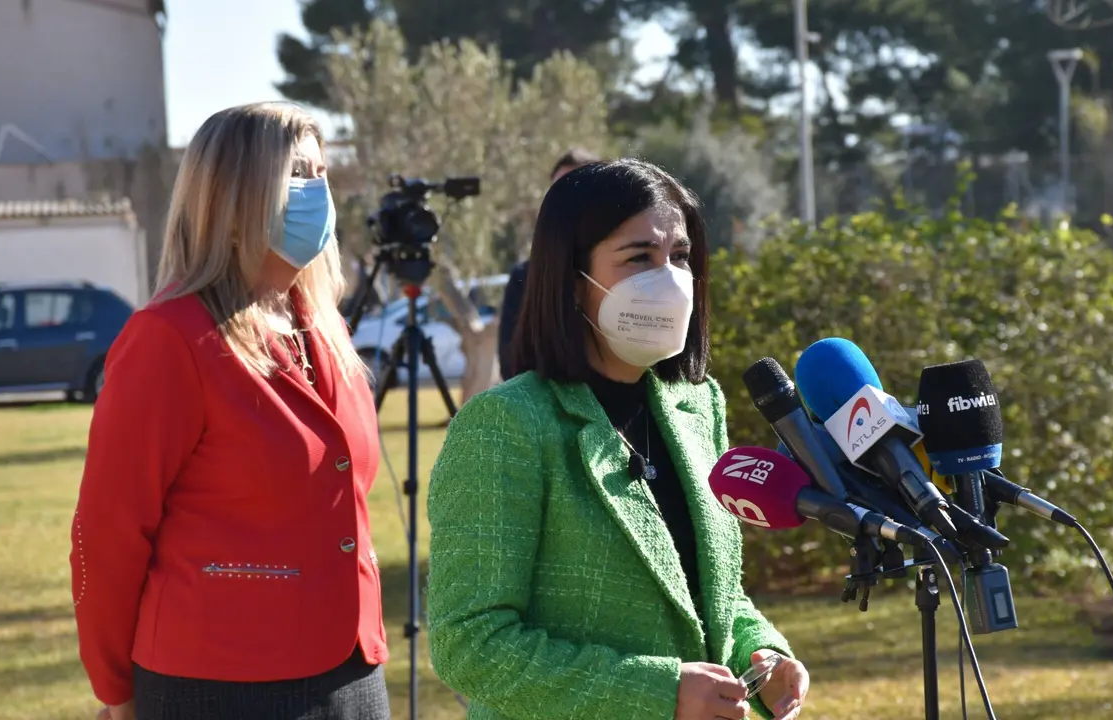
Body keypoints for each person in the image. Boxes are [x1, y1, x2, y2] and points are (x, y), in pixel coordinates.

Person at [426, 159, 810, 720]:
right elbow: (469, 645)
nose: (670, 278)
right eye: (638, 258)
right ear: (571, 280)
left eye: (680, 256)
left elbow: (711, 595)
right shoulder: (505, 424)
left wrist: (764, 654)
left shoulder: (699, 405)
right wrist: (658, 693)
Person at [70, 102, 390, 720]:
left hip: (352, 669)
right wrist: (115, 689)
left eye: (321, 172)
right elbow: (107, 534)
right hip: (218, 681)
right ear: (234, 196)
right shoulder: (169, 337)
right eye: (296, 173)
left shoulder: (325, 330)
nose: (316, 190)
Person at [496, 147, 601, 381]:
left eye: (578, 189)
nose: (566, 201)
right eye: (558, 191)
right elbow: (510, 362)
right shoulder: (525, 276)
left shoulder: (629, 269)